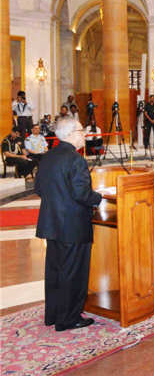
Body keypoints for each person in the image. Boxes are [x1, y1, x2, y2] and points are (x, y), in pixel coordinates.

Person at [35, 116, 103, 331]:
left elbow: (38, 188)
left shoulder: (48, 156)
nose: (84, 135)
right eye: (82, 130)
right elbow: (82, 194)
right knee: (73, 273)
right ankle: (69, 318)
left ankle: (54, 315)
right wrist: (99, 197)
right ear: (71, 134)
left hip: (51, 223)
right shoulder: (76, 159)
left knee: (55, 270)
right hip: (72, 226)